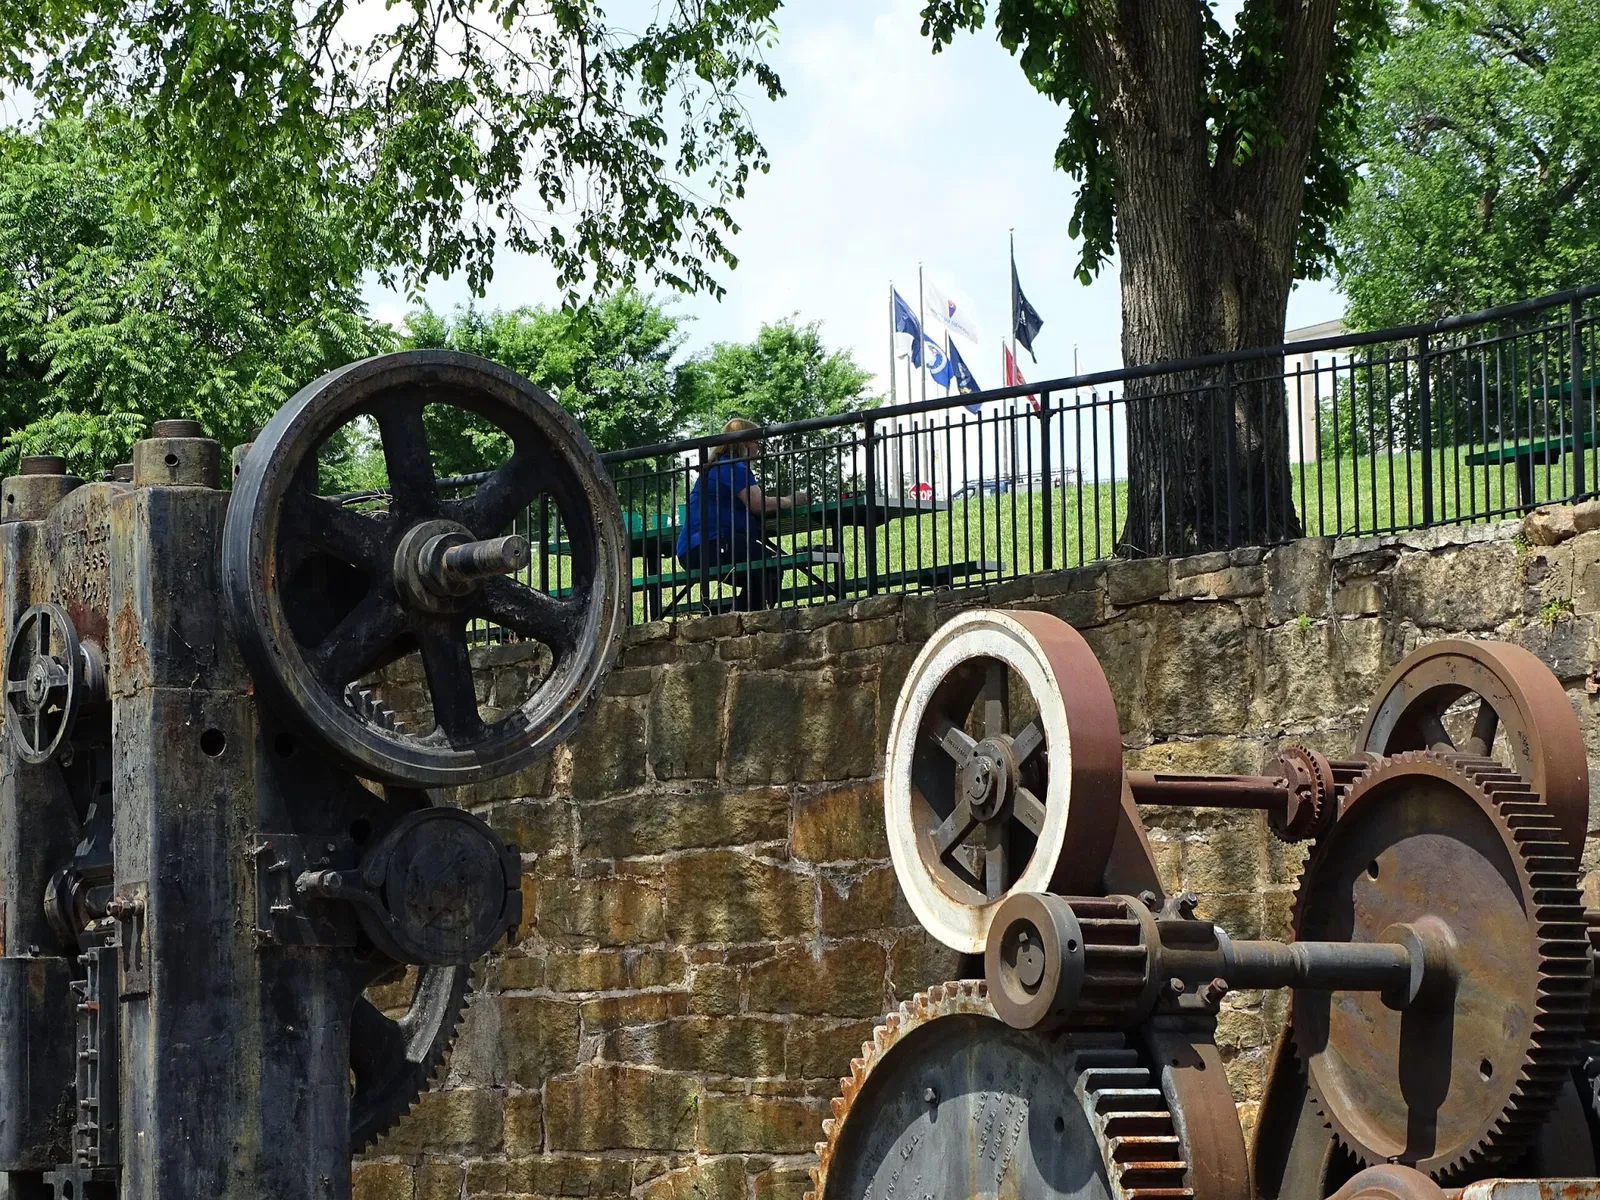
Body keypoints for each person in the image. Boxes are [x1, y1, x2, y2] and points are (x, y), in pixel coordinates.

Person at [674, 418, 810, 611]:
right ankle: (744, 619)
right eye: (757, 443)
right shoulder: (733, 466)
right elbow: (758, 504)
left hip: (693, 549)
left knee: (758, 572)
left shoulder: (717, 466)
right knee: (771, 565)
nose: (758, 449)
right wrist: (791, 500)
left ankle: (737, 616)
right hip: (712, 544)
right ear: (745, 442)